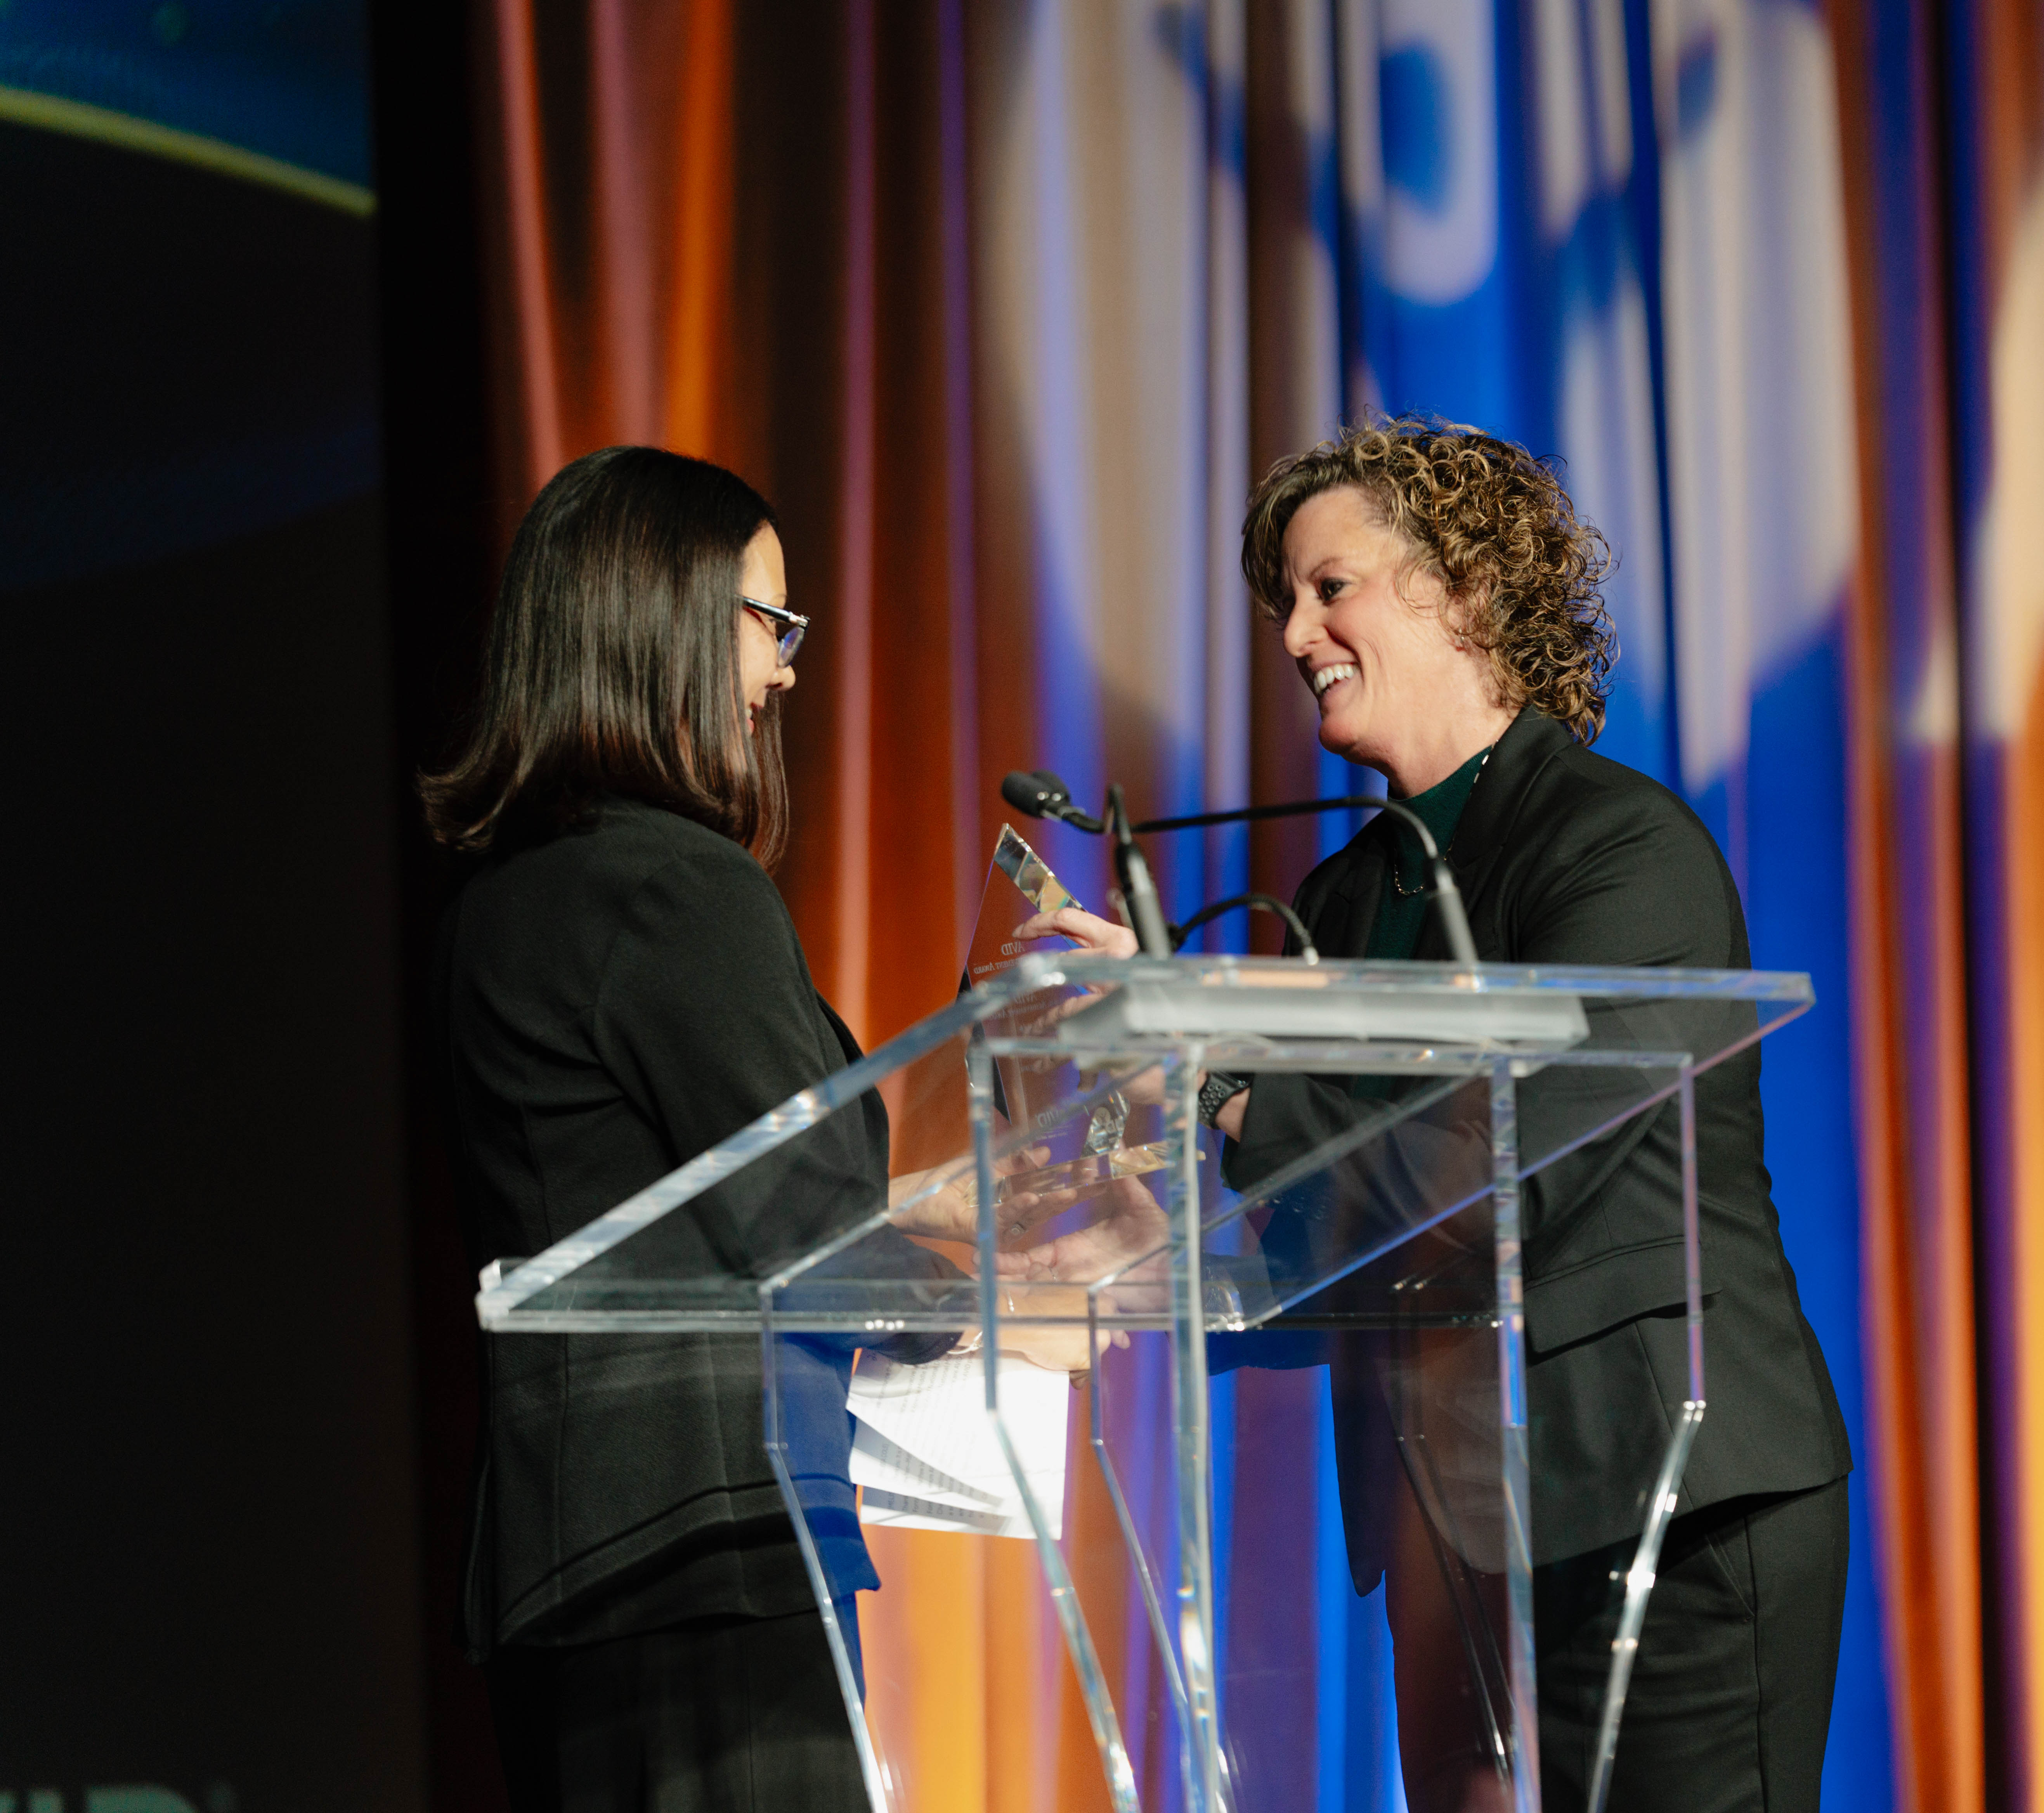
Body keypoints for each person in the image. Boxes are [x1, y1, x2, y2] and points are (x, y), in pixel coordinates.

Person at [1019, 419, 1855, 1811]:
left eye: (1327, 587)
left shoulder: (1617, 848)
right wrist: (1135, 1252)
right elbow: (1340, 1241)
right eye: (1284, 599)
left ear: (1462, 588)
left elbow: (1507, 1176)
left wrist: (1213, 1078)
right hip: (1453, 1533)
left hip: (1669, 1510)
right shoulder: (1345, 901)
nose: (1294, 633)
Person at [424, 446, 1078, 1811]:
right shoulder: (676, 886)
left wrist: (946, 1204)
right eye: (769, 623)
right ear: (660, 616)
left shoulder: (513, 897)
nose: (788, 669)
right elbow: (806, 1226)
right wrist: (999, 1305)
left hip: (575, 1562)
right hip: (708, 1549)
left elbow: (697, 1198)